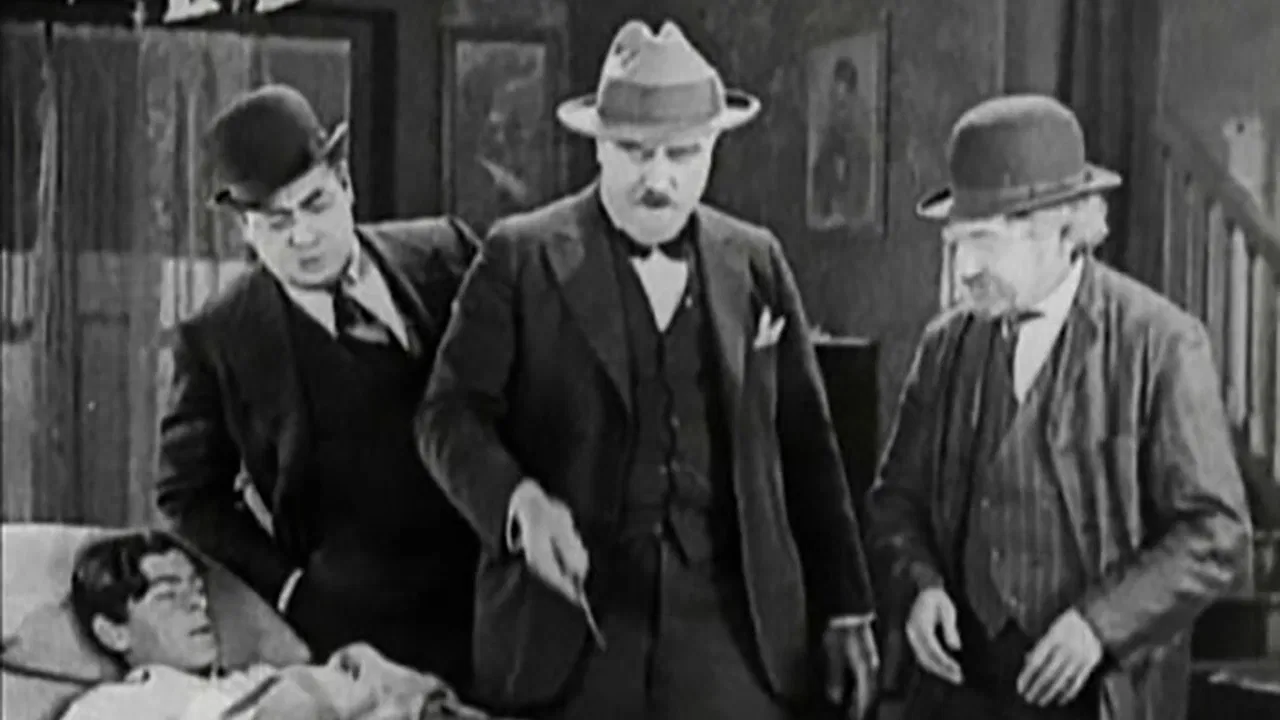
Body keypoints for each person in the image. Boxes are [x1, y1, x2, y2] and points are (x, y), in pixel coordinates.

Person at [416, 20, 879, 720]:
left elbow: (808, 446)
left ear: (713, 149)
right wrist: (519, 505)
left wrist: (846, 607)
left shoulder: (756, 259)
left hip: (735, 636)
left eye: (683, 153)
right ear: (599, 145)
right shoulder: (519, 256)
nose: (659, 179)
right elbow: (447, 415)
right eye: (634, 152)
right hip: (565, 636)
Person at [865, 94, 1253, 720]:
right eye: (956, 242)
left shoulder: (1160, 343)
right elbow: (894, 503)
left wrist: (1102, 623)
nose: (964, 269)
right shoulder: (945, 348)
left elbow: (1216, 533)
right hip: (961, 691)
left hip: (1100, 693)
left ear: (1063, 230)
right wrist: (919, 587)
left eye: (984, 242)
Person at [155, 84, 480, 687]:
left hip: (496, 600)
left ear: (346, 185)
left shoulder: (447, 254)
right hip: (361, 632)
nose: (302, 237)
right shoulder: (218, 339)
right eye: (276, 222)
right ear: (246, 229)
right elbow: (187, 496)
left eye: (316, 204)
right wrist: (290, 589)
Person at [59, 531, 495, 720]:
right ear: (113, 632)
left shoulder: (253, 679)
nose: (197, 606)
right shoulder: (109, 709)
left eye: (197, 590)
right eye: (169, 595)